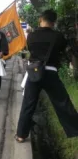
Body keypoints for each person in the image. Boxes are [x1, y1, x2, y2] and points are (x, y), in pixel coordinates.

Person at [16, 9, 78, 142]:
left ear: (41, 19)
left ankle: (21, 135)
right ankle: (75, 130)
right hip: (50, 73)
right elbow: (66, 52)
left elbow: (31, 51)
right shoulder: (58, 36)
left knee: (28, 104)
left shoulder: (31, 36)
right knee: (63, 103)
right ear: (54, 22)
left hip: (33, 73)